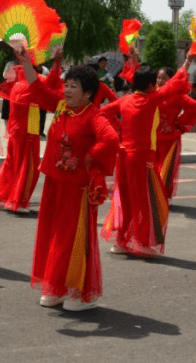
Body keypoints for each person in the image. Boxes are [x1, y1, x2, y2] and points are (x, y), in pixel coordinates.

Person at [14, 48, 118, 311]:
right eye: (67, 85)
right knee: (53, 235)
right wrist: (25, 62)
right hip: (54, 182)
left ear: (88, 94)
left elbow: (111, 140)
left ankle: (79, 292)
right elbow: (38, 89)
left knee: (72, 238)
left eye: (74, 87)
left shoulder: (94, 116)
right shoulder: (61, 108)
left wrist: (90, 155)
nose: (68, 90)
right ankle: (56, 287)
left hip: (78, 189)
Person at [99, 47, 194, 257]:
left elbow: (103, 112)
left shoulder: (125, 100)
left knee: (124, 198)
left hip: (123, 155)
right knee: (145, 200)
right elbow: (174, 85)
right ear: (151, 85)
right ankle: (140, 242)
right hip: (141, 157)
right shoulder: (151, 100)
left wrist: (120, 128)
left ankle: (121, 240)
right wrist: (186, 62)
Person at [0, 48, 61, 213]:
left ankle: (1, 194)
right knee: (26, 167)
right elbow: (50, 84)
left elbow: (47, 84)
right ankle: (17, 200)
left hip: (18, 130)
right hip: (27, 132)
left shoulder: (17, 86)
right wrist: (56, 62)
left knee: (12, 164)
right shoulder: (30, 86)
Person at [155, 66, 196, 201]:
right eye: (158, 77)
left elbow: (193, 106)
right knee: (152, 168)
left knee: (166, 169)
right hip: (152, 138)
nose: (160, 80)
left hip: (169, 138)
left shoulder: (176, 95)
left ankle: (163, 196)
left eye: (164, 78)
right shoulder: (154, 92)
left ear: (171, 79)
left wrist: (178, 124)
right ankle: (153, 196)